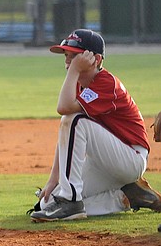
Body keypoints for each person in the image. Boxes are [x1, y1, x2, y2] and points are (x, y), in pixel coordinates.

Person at [30, 29, 161, 222]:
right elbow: (66, 138)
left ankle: (70, 200)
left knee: (72, 120)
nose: (68, 62)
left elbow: (64, 109)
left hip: (130, 157)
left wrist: (74, 70)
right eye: (67, 56)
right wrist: (52, 181)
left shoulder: (106, 83)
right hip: (105, 160)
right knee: (47, 204)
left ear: (96, 59)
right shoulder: (79, 83)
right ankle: (125, 197)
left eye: (74, 56)